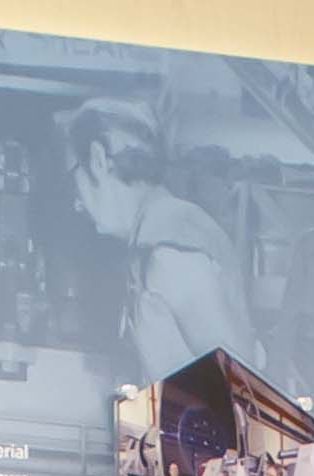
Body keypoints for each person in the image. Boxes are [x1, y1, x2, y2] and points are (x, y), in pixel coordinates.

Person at [72, 99, 252, 374]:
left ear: (98, 160)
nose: (77, 203)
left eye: (75, 174)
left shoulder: (171, 252)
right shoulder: (154, 239)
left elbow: (238, 385)